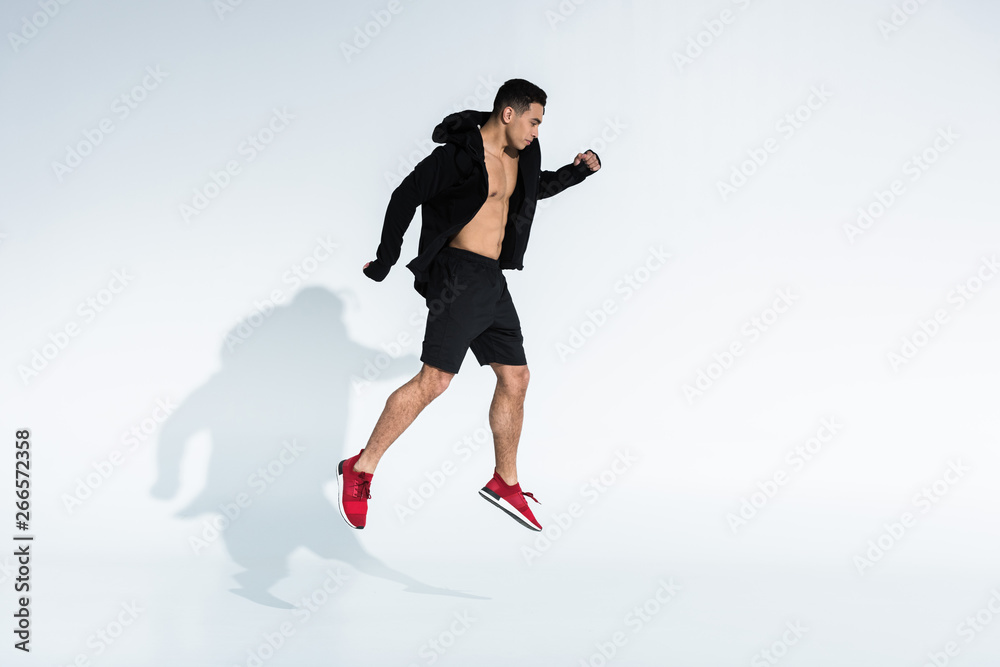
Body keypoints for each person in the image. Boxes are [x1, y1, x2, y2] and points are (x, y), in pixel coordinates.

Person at [338, 78, 601, 531]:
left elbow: (529, 191)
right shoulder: (458, 156)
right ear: (509, 114)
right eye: (534, 121)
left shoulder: (523, 155)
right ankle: (360, 468)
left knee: (516, 377)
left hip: (491, 280)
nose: (537, 131)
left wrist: (576, 172)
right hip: (456, 276)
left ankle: (505, 481)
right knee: (435, 381)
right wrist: (385, 259)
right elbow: (406, 195)